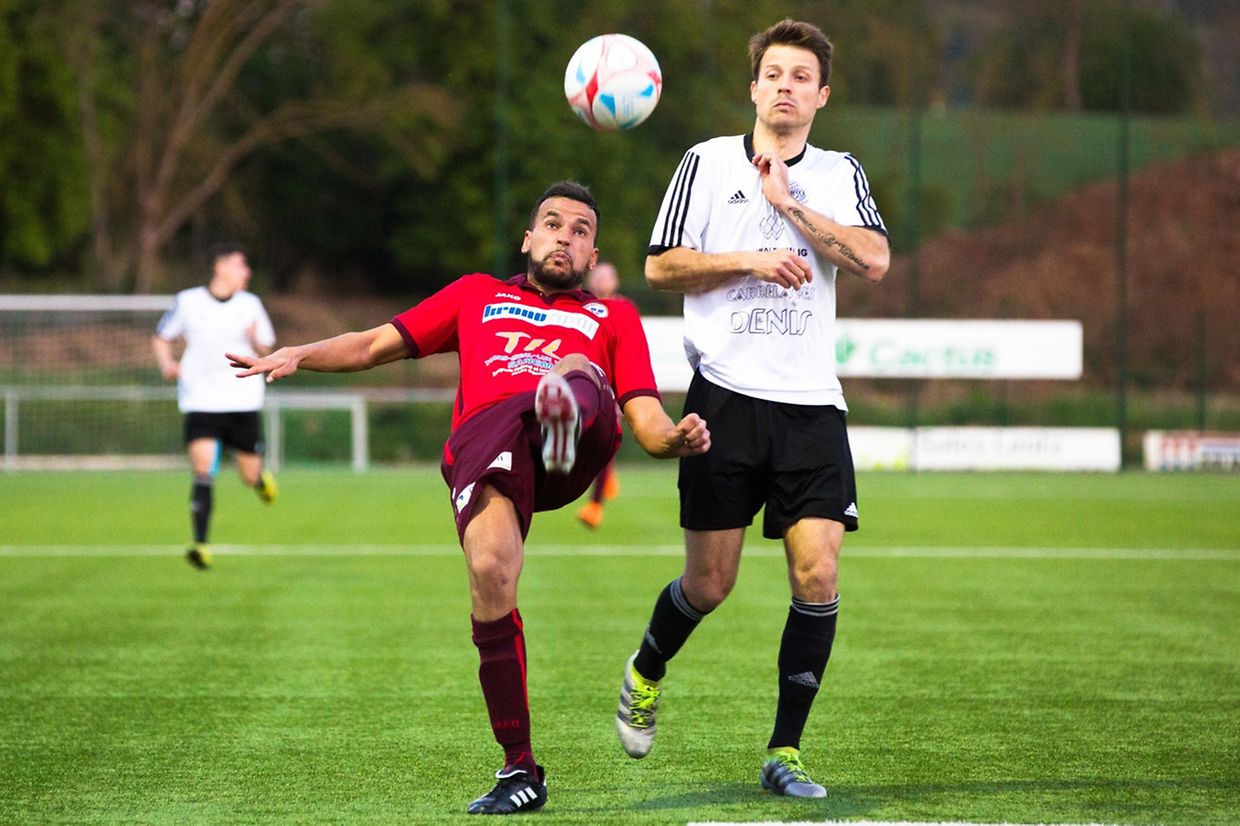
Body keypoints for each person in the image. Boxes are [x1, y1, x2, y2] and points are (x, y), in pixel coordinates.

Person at [229, 181, 710, 816]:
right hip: (492, 443)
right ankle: (521, 771)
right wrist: (298, 353)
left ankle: (559, 407)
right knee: (490, 574)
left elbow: (644, 413)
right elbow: (377, 343)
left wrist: (671, 439)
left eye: (581, 231)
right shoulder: (477, 295)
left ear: (592, 256)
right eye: (553, 223)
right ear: (528, 238)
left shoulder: (610, 316)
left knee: (573, 371)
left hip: (575, 435)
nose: (565, 236)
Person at [613, 18, 890, 798]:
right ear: (754, 87)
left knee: (818, 572)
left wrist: (789, 205)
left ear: (822, 95)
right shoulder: (702, 163)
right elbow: (660, 265)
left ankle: (785, 752)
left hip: (811, 408)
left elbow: (873, 260)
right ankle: (646, 667)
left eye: (802, 76)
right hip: (725, 400)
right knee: (710, 585)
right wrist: (747, 257)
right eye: (774, 73)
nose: (786, 86)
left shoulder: (840, 172)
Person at [153, 242, 278, 570]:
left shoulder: (251, 305)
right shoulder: (188, 301)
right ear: (220, 267)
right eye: (241, 265)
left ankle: (260, 481)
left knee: (248, 474)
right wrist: (167, 364)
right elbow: (161, 336)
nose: (246, 272)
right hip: (201, 398)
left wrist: (255, 341)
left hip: (242, 399)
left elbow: (268, 348)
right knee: (203, 470)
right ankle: (201, 545)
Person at [576, 261, 626, 529]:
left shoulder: (624, 310)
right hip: (588, 379)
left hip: (613, 382)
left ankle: (594, 506)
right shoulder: (582, 306)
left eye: (607, 276)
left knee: (606, 437)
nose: (602, 280)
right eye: (598, 276)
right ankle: (605, 477)